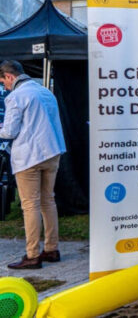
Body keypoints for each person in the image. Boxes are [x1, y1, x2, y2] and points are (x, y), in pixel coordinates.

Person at [0, 60, 66, 270]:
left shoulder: (16, 96)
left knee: (30, 205)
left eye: (3, 82)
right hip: (52, 151)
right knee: (48, 201)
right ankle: (51, 249)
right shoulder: (45, 91)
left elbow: (10, 132)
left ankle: (32, 255)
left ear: (9, 77)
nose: (4, 87)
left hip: (29, 155)